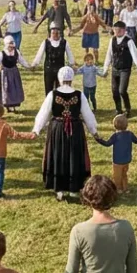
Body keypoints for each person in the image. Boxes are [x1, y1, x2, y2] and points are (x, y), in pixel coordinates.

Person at [33, 66, 98, 201]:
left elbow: (44, 113)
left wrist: (37, 129)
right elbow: (88, 114)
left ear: (60, 78)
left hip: (57, 129)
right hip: (75, 128)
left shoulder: (53, 94)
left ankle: (60, 189)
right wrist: (94, 131)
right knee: (74, 156)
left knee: (58, 156)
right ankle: (74, 188)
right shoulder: (79, 94)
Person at [101, 21, 137, 115]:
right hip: (115, 69)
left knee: (122, 90)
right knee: (114, 90)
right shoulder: (112, 40)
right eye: (115, 30)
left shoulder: (129, 41)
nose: (117, 32)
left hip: (125, 69)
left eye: (119, 30)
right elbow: (109, 55)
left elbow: (135, 56)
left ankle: (127, 109)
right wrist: (105, 69)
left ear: (124, 30)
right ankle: (118, 109)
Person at [94, 114, 137, 194]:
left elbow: (107, 144)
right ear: (126, 124)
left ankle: (118, 189)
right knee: (124, 175)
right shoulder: (130, 134)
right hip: (127, 159)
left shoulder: (115, 136)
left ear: (115, 125)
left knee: (117, 176)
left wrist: (99, 139)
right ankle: (126, 189)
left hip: (117, 161)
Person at [30, 27, 74, 95]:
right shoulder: (45, 42)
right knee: (48, 89)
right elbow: (39, 54)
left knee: (60, 90)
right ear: (50, 34)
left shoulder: (64, 42)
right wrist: (34, 64)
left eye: (57, 33)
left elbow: (70, 54)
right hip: (48, 69)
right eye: (53, 33)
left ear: (60, 34)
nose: (55, 35)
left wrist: (72, 64)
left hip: (60, 69)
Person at [0, 36, 26, 113]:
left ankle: (14, 106)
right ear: (6, 44)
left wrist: (29, 66)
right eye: (10, 44)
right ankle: (8, 107)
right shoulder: (2, 53)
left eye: (12, 43)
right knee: (7, 89)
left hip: (14, 72)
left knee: (15, 89)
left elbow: (22, 61)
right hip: (5, 73)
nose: (11, 46)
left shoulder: (16, 52)